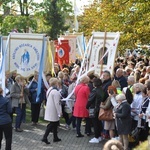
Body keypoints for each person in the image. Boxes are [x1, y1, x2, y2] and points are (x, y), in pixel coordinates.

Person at [42, 78, 62, 144]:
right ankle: (44, 137)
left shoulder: (50, 89)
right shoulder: (55, 92)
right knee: (52, 124)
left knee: (55, 123)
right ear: (56, 83)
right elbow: (57, 103)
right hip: (54, 109)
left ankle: (55, 137)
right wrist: (59, 111)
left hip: (50, 108)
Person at [86, 78, 104, 143]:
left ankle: (96, 137)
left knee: (95, 123)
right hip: (99, 108)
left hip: (94, 108)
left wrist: (87, 106)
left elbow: (90, 100)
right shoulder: (101, 89)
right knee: (98, 123)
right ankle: (99, 136)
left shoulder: (95, 90)